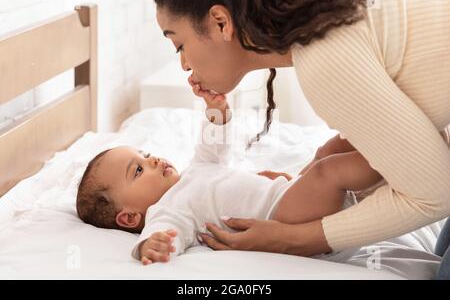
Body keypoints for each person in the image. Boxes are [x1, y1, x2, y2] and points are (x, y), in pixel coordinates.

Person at [150, 0, 450, 278]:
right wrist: (299, 187)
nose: (184, 65)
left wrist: (289, 239)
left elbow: (435, 194)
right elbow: (420, 136)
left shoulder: (324, 61)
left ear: (220, 23)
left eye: (179, 45)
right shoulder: (332, 18)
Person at [76, 85, 381, 265]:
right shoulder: (167, 210)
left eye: (144, 154)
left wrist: (216, 111)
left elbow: (214, 144)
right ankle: (397, 155)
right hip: (285, 217)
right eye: (138, 169)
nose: (152, 159)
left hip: (290, 197)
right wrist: (148, 246)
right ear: (128, 217)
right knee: (328, 171)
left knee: (329, 150)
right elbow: (164, 234)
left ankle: (387, 135)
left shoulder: (195, 170)